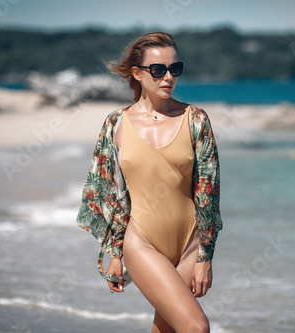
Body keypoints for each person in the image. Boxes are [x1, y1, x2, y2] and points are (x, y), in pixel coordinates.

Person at [76, 32, 223, 333]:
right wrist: (115, 254)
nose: (168, 77)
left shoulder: (196, 119)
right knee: (197, 327)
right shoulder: (115, 123)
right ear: (137, 73)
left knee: (167, 329)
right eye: (158, 69)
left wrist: (205, 256)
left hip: (190, 245)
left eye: (175, 68)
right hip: (142, 243)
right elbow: (109, 193)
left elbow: (208, 193)